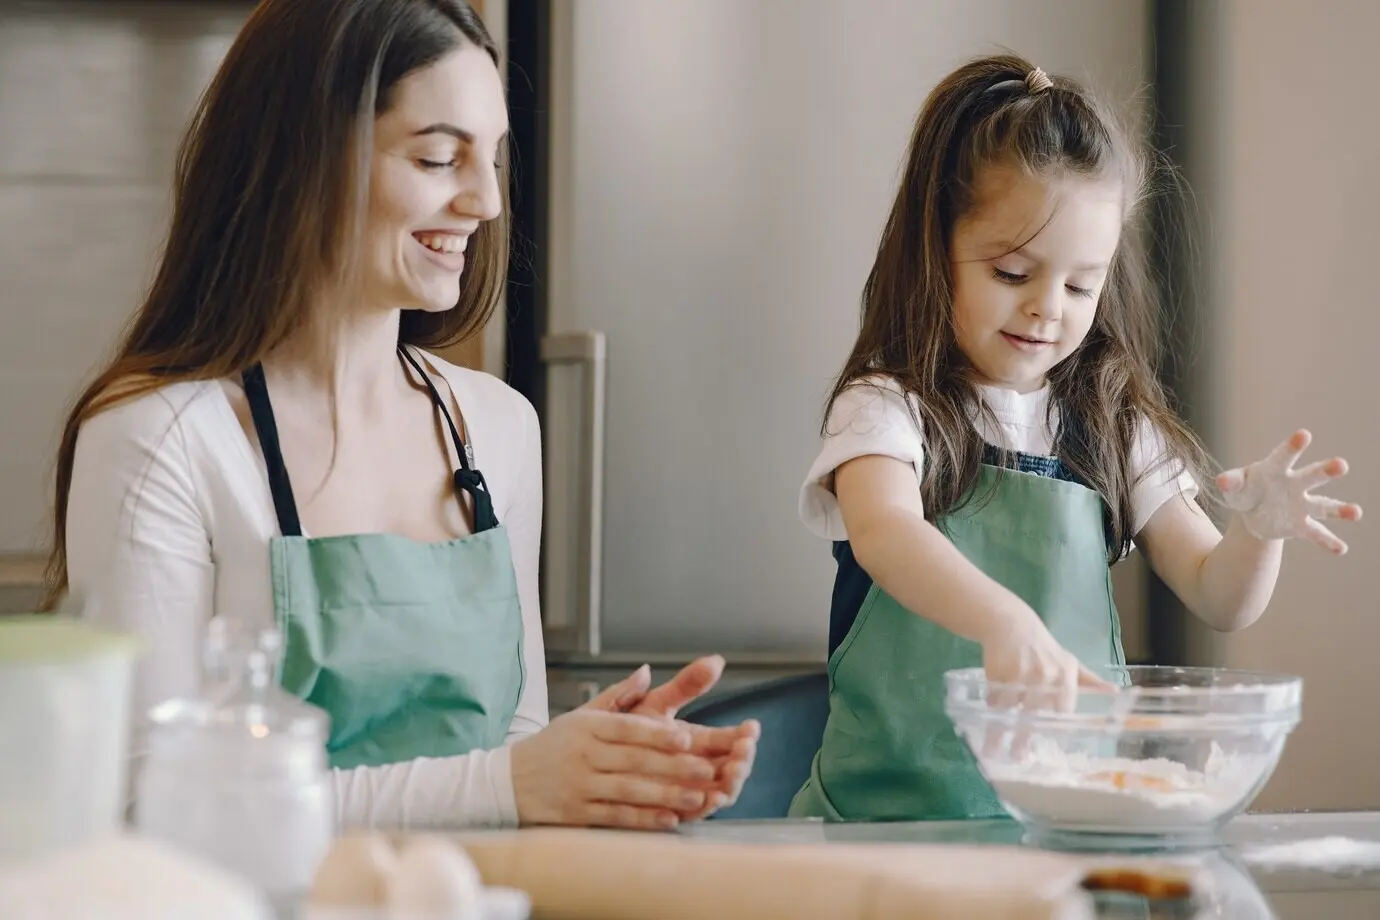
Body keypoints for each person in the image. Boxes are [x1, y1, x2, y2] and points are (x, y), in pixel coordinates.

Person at [43, 0, 756, 832]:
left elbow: (506, 747)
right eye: (438, 157)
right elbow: (149, 805)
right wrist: (510, 783)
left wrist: (595, 765)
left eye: (491, 159)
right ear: (304, 158)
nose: (486, 201)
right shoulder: (161, 439)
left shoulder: (494, 426)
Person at [789, 53, 1361, 822]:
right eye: (1013, 272)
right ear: (936, 249)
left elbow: (1218, 594)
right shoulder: (888, 407)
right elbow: (885, 533)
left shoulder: (1112, 426)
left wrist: (1259, 532)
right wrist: (1005, 622)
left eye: (1080, 284)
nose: (1047, 309)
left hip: (1068, 832)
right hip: (884, 832)